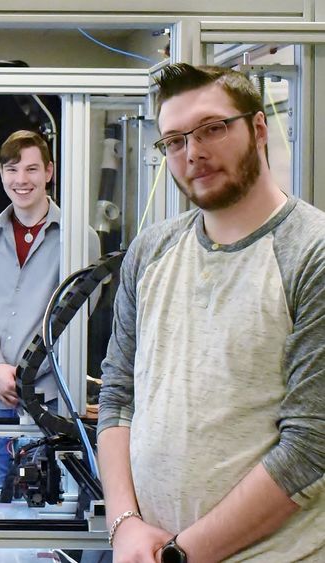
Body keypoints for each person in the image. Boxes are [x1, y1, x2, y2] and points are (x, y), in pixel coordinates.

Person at [98, 63, 324, 562]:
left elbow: (313, 445)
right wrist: (124, 525)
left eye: (212, 128)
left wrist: (179, 554)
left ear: (259, 128)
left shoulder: (313, 252)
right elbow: (117, 394)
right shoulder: (151, 250)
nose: (193, 152)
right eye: (174, 141)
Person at [0, 130, 101, 489]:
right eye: (11, 170)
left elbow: (75, 320)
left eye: (31, 169)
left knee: (45, 503)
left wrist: (25, 375)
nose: (21, 180)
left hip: (48, 397)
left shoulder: (78, 237)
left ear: (50, 172)